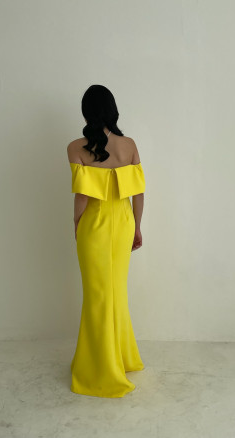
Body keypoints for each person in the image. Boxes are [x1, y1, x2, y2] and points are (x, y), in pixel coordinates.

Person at [67, 84, 146, 398]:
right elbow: (138, 193)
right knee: (115, 292)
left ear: (86, 112)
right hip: (124, 222)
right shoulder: (129, 145)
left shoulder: (75, 147)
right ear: (113, 110)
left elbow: (82, 196)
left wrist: (76, 223)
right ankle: (121, 359)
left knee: (97, 295)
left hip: (95, 225)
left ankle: (101, 368)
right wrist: (137, 226)